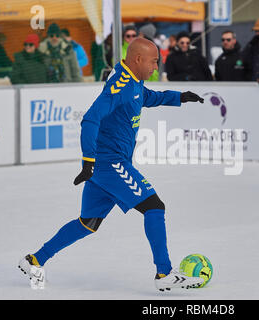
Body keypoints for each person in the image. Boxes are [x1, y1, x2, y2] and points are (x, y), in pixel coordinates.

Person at [18, 37, 206, 291]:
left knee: (88, 223)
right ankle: (164, 275)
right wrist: (88, 161)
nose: (156, 67)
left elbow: (145, 97)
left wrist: (179, 97)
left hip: (105, 167)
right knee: (154, 207)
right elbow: (90, 119)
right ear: (138, 59)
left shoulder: (132, 82)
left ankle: (35, 260)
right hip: (110, 164)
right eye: (154, 61)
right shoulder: (121, 85)